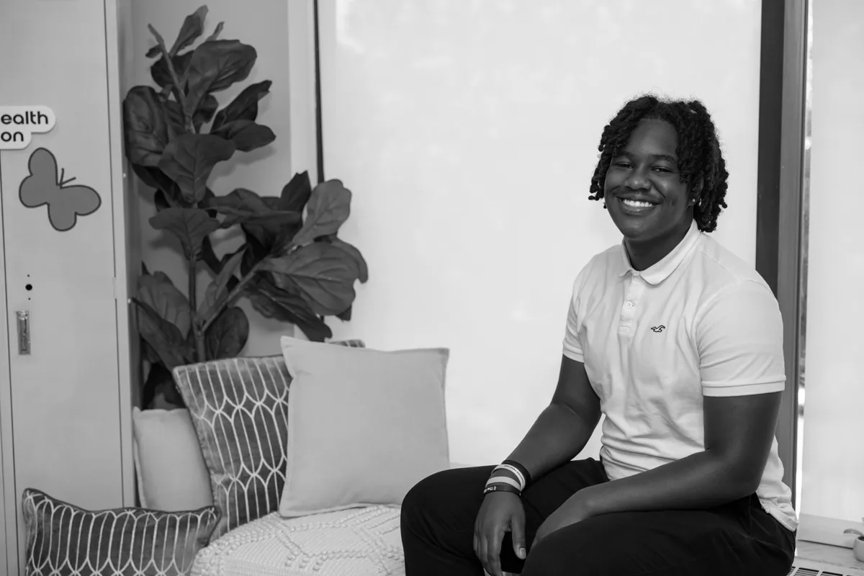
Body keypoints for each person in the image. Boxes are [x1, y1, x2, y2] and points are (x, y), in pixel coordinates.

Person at [400, 94, 797, 576]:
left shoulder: (732, 295)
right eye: (624, 163)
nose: (636, 180)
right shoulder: (596, 276)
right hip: (620, 480)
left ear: (694, 186)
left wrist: (590, 503)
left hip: (736, 518)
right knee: (432, 508)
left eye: (662, 168)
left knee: (564, 559)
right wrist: (505, 481)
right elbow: (572, 407)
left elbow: (734, 468)